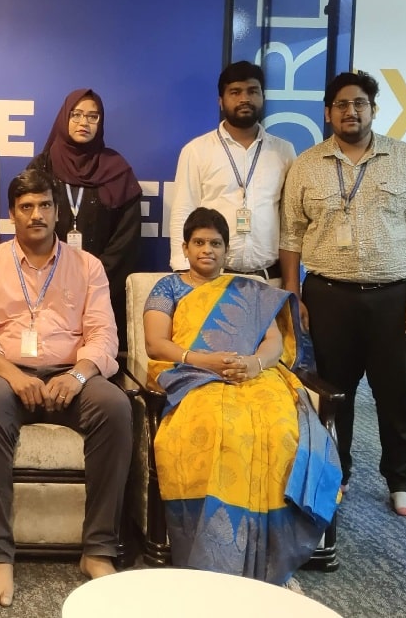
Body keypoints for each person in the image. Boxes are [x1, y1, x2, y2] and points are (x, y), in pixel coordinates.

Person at [0, 168, 131, 607]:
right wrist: (13, 375)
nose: (36, 214)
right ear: (12, 215)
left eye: (45, 206)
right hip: (6, 374)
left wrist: (77, 376)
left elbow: (103, 335)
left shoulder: (87, 265)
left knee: (115, 406)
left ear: (58, 212)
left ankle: (98, 550)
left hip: (70, 375)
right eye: (26, 207)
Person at [143, 207, 341, 584]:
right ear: (185, 248)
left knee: (280, 429)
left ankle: (270, 550)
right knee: (218, 427)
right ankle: (217, 547)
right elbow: (156, 344)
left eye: (216, 243)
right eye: (199, 242)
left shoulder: (249, 290)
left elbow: (272, 343)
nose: (207, 250)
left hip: (255, 376)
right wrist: (205, 361)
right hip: (192, 375)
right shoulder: (168, 287)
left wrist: (253, 364)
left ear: (226, 250)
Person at [280, 71, 406, 518]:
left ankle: (400, 480)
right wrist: (294, 295)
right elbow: (290, 236)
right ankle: (339, 471)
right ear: (327, 112)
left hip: (396, 297)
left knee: (396, 392)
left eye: (359, 103)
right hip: (328, 296)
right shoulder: (307, 164)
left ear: (373, 109)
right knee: (334, 392)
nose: (350, 111)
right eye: (341, 104)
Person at [167, 61, 296, 281]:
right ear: (220, 101)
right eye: (235, 92)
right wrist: (183, 273)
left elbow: (291, 222)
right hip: (213, 280)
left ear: (263, 97)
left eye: (252, 91)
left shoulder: (284, 151)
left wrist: (292, 283)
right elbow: (183, 212)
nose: (244, 99)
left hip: (270, 280)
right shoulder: (196, 150)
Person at [29, 88, 141, 331]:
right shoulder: (42, 167)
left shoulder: (117, 170)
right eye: (76, 114)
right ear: (64, 118)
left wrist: (94, 279)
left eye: (93, 116)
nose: (84, 122)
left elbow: (126, 238)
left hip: (102, 290)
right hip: (46, 287)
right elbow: (30, 225)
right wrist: (54, 277)